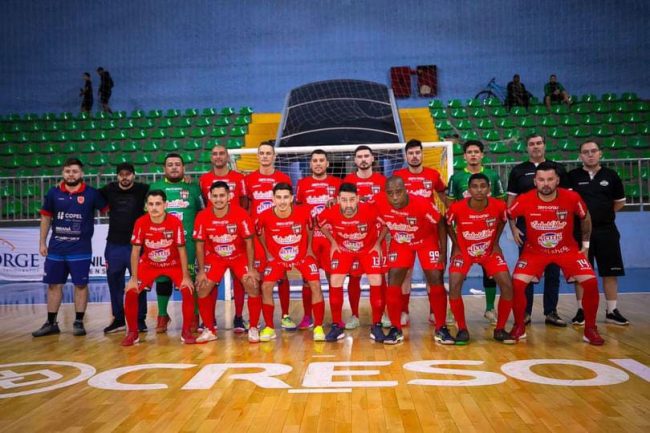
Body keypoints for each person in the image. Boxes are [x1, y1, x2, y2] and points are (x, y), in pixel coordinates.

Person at [508, 163, 604, 345]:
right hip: (534, 252)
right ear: (535, 181)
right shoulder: (524, 199)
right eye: (542, 180)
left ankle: (590, 329)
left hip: (566, 250)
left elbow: (585, 217)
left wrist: (586, 245)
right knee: (518, 283)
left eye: (550, 179)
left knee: (590, 282)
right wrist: (514, 230)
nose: (546, 184)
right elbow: (509, 214)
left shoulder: (571, 197)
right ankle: (519, 326)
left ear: (557, 180)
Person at [32, 158, 108, 337]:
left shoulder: (91, 194)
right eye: (67, 171)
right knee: (53, 285)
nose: (71, 174)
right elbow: (46, 218)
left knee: (80, 285)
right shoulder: (53, 193)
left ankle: (79, 322)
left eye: (74, 171)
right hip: (56, 248)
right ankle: (51, 323)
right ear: (63, 173)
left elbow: (108, 207)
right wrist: (42, 242)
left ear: (81, 173)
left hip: (80, 249)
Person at [507, 134, 569, 327]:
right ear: (527, 148)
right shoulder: (518, 171)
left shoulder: (558, 168)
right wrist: (514, 227)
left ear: (544, 145)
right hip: (527, 229)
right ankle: (525, 313)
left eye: (539, 143)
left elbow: (567, 199)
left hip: (554, 227)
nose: (535, 147)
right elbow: (511, 202)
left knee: (553, 271)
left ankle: (551, 312)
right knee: (527, 273)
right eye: (531, 144)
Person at [376, 176, 447, 344]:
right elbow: (359, 204)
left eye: (398, 192)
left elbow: (441, 222)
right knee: (393, 279)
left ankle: (441, 327)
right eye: (390, 193)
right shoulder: (378, 201)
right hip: (402, 242)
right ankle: (395, 329)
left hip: (426, 241)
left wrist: (443, 251)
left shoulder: (422, 203)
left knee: (435, 278)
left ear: (405, 190)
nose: (394, 197)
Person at [446, 174, 516, 344]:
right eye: (475, 186)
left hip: (489, 250)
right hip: (464, 251)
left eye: (483, 186)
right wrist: (455, 245)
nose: (479, 190)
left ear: (489, 188)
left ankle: (500, 329)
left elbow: (502, 221)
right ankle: (462, 329)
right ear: (469, 190)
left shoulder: (499, 206)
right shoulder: (456, 208)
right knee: (454, 284)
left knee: (507, 285)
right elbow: (447, 224)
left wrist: (496, 242)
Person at [121, 190, 195, 346]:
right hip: (149, 264)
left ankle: (186, 331)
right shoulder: (141, 222)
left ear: (165, 205)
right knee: (130, 292)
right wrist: (133, 279)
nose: (154, 208)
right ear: (146, 206)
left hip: (172, 263)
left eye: (158, 204)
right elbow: (135, 252)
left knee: (187, 289)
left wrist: (186, 276)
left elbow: (182, 249)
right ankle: (133, 333)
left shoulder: (175, 222)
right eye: (151, 204)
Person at [256, 183, 327, 342]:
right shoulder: (264, 215)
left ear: (292, 198)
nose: (282, 201)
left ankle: (318, 327)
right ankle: (269, 327)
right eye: (279, 197)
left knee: (315, 284)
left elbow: (310, 227)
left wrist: (309, 249)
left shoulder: (303, 213)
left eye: (286, 197)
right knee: (266, 286)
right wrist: (268, 252)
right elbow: (259, 232)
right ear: (273, 199)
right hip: (278, 258)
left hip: (301, 255)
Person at [568, 141, 629, 326]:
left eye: (593, 151)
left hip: (606, 231)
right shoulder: (572, 176)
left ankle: (611, 311)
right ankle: (582, 311)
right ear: (580, 156)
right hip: (579, 232)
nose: (590, 155)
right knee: (581, 272)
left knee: (609, 272)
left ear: (600, 153)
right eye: (585, 152)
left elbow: (619, 202)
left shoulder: (611, 176)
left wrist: (602, 215)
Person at [193, 181, 262, 343]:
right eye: (215, 196)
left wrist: (251, 269)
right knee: (202, 288)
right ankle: (209, 330)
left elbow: (249, 242)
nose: (218, 199)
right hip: (216, 257)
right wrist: (202, 271)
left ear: (229, 196)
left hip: (239, 255)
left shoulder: (240, 214)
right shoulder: (202, 216)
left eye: (222, 195)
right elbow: (199, 244)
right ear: (209, 197)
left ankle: (252, 327)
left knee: (252, 284)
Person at [446, 140, 506, 325]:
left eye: (476, 152)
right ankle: (453, 310)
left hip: (487, 234)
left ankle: (489, 308)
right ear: (464, 156)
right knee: (458, 274)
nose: (473, 155)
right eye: (469, 152)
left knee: (490, 272)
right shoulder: (456, 179)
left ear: (482, 155)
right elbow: (450, 205)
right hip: (464, 235)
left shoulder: (492, 176)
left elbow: (501, 203)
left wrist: (495, 234)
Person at [318, 183, 386, 342]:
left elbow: (385, 225)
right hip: (344, 250)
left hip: (367, 249)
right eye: (344, 200)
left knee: (376, 279)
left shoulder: (369, 210)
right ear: (338, 200)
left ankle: (376, 325)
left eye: (351, 200)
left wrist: (377, 244)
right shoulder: (331, 211)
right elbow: (320, 224)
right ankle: (336, 326)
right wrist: (333, 242)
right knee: (335, 280)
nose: (348, 204)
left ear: (357, 199)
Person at [393, 139, 447, 326]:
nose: (414, 156)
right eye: (411, 153)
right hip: (405, 232)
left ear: (422, 154)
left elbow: (442, 194)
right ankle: (404, 311)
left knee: (431, 273)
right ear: (406, 156)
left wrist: (454, 211)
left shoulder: (433, 174)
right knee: (405, 274)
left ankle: (434, 312)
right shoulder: (398, 175)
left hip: (429, 232)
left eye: (418, 152)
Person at [149, 153, 203, 333]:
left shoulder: (193, 188)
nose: (174, 167)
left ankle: (195, 315)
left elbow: (202, 214)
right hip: (163, 243)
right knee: (162, 277)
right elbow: (148, 215)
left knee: (191, 278)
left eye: (177, 164)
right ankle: (163, 315)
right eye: (170, 164)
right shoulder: (155, 187)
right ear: (164, 169)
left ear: (183, 168)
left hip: (189, 243)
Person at [243, 141, 295, 330]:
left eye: (268, 153)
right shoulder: (249, 180)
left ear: (274, 157)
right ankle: (258, 317)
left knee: (282, 275)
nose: (265, 156)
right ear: (257, 156)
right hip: (258, 236)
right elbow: (247, 206)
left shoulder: (283, 178)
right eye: (262, 153)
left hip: (279, 234)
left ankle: (286, 315)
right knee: (258, 277)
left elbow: (290, 208)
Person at [199, 144, 249, 332]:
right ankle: (208, 320)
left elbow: (244, 202)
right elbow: (205, 203)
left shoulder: (239, 178)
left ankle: (238, 317)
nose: (218, 157)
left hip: (236, 236)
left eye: (222, 153)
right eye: (215, 154)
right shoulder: (204, 179)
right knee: (212, 280)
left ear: (228, 157)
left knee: (239, 279)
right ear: (211, 157)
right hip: (214, 236)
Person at [100, 162, 149, 334]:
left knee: (139, 282)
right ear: (117, 176)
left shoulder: (143, 189)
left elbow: (160, 191)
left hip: (136, 245)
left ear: (134, 175)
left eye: (128, 174)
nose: (125, 177)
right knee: (114, 283)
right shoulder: (108, 189)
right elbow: (89, 195)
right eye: (121, 174)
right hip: (114, 244)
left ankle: (140, 319)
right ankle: (119, 318)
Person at [295, 149, 341, 330]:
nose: (318, 163)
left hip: (330, 239)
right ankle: (308, 317)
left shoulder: (337, 183)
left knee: (334, 279)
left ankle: (336, 318)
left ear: (328, 163)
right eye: (315, 160)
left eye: (322, 160)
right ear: (310, 164)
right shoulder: (302, 184)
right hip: (310, 239)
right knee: (308, 279)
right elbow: (298, 211)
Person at [342, 145, 387, 330]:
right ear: (355, 160)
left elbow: (387, 208)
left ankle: (382, 314)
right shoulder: (348, 180)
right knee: (354, 277)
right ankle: (354, 315)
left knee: (379, 277)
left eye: (366, 156)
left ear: (372, 158)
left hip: (376, 237)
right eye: (359, 156)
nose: (363, 159)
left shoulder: (382, 181)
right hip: (354, 237)